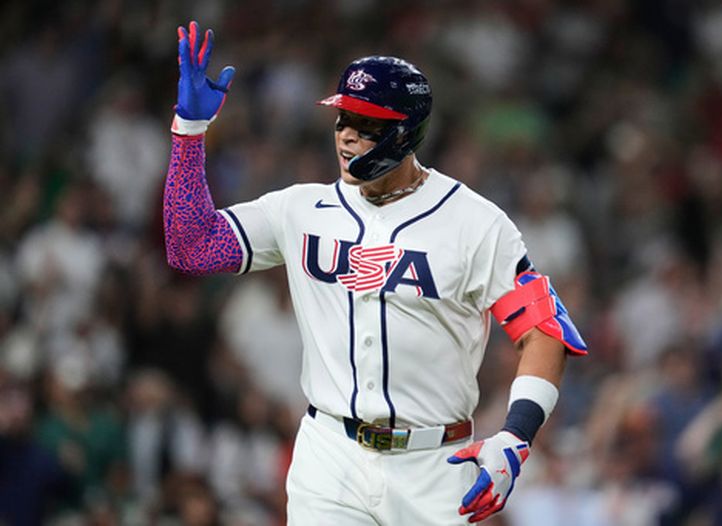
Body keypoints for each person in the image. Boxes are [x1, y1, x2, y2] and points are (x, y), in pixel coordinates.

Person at [164, 21, 587, 525]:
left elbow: (544, 331)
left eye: (365, 124)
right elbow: (191, 247)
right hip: (330, 455)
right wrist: (189, 131)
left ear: (405, 132)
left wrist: (515, 436)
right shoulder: (301, 208)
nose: (345, 133)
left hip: (435, 462)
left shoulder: (475, 223)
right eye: (342, 117)